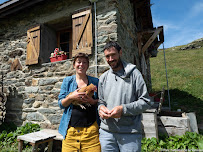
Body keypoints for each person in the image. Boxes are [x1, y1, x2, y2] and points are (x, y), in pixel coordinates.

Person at [98, 41, 151, 152]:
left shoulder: (134, 74)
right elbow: (100, 101)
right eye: (107, 56)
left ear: (120, 53)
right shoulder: (103, 78)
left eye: (113, 55)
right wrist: (100, 108)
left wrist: (123, 110)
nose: (111, 59)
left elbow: (146, 101)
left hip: (129, 134)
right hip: (107, 133)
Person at [58, 53, 101, 152]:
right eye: (79, 62)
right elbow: (61, 104)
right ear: (74, 65)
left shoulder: (95, 81)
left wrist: (92, 101)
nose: (81, 64)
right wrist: (71, 97)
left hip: (91, 133)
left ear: (88, 65)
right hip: (70, 132)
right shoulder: (67, 81)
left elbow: (102, 102)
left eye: (84, 62)